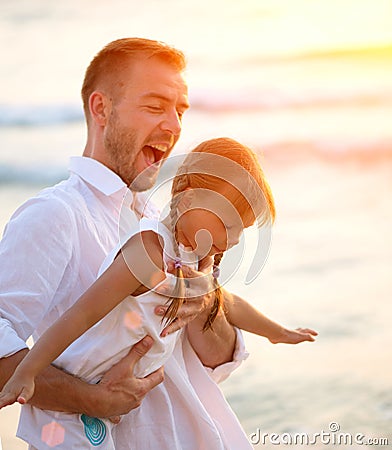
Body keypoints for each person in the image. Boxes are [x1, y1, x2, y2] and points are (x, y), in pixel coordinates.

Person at [0, 38, 316, 449]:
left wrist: (206, 302)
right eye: (155, 106)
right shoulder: (56, 214)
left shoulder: (175, 224)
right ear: (101, 109)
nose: (173, 125)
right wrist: (93, 399)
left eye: (179, 111)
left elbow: (214, 359)